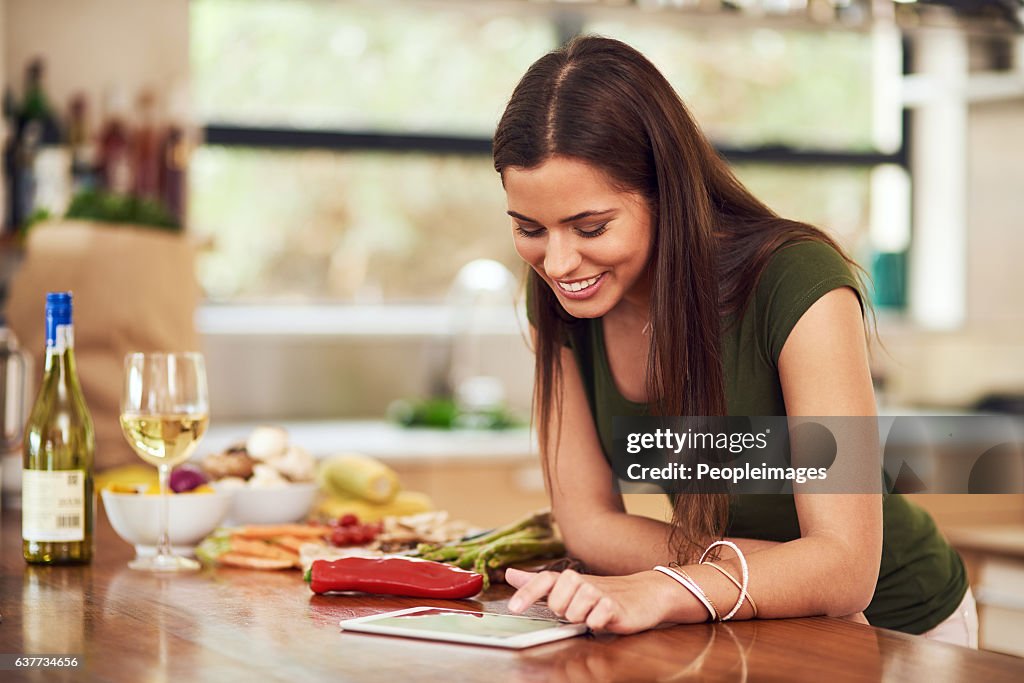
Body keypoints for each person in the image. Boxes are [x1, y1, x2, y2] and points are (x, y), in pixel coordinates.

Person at [492, 36, 976, 646]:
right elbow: (586, 525)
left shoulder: (797, 279)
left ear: (666, 193)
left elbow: (848, 569)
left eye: (591, 227)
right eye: (530, 229)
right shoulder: (561, 305)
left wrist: (675, 583)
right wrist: (753, 570)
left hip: (899, 631)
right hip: (748, 624)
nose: (558, 263)